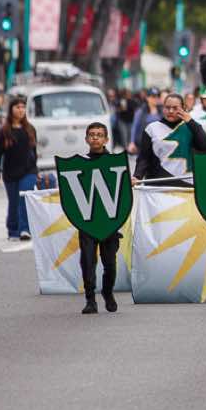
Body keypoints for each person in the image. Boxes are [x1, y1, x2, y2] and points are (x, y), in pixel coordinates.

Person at [75, 121, 123, 314]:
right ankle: (90, 299)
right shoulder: (79, 164)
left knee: (110, 264)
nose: (95, 138)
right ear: (86, 139)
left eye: (99, 135)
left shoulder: (116, 164)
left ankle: (107, 292)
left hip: (109, 221)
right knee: (88, 262)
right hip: (87, 221)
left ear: (106, 139)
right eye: (92, 134)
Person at [135, 91, 206, 187]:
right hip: (157, 187)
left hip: (186, 187)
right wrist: (137, 176)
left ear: (183, 108)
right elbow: (144, 157)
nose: (170, 111)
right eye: (167, 107)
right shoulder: (151, 128)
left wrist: (191, 122)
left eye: (175, 108)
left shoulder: (191, 127)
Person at [0, 96, 38, 241]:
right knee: (13, 202)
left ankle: (25, 229)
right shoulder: (4, 131)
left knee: (24, 199)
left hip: (29, 171)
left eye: (23, 107)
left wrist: (36, 171)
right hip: (10, 172)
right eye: (17, 107)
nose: (21, 110)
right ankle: (13, 230)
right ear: (11, 110)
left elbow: (34, 152)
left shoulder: (30, 129)